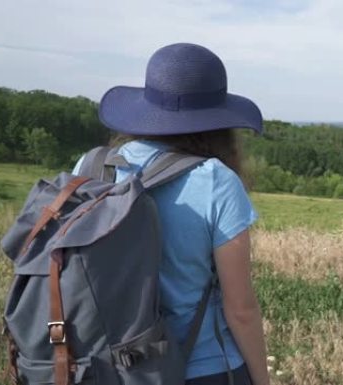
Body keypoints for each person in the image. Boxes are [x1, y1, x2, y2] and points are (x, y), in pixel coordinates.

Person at [74, 43, 269, 385]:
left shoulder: (93, 165)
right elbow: (240, 310)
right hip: (202, 368)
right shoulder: (217, 180)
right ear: (218, 120)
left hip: (104, 365)